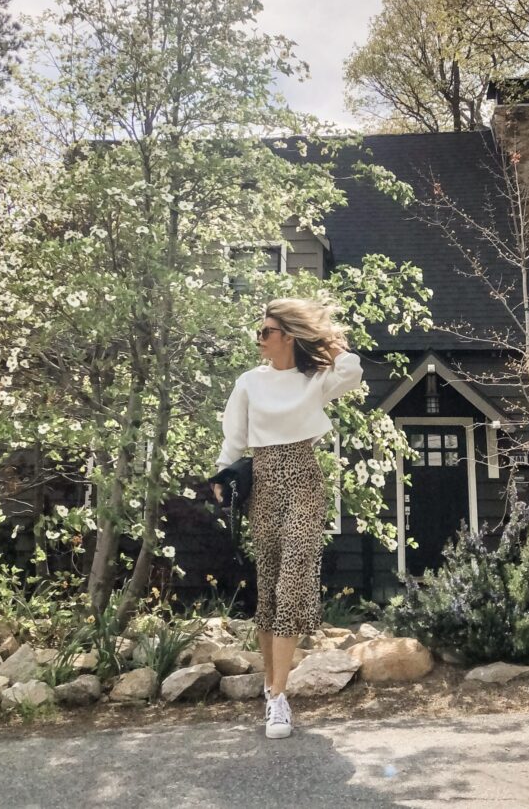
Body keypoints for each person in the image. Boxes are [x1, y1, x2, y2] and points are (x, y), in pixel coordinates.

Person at [211, 297, 363, 739]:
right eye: (258, 332)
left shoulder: (312, 379)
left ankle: (278, 697)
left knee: (294, 575)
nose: (259, 339)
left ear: (288, 337)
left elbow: (351, 373)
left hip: (303, 477)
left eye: (266, 332)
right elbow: (235, 435)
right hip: (262, 477)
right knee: (270, 578)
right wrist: (222, 475)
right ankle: (271, 688)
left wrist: (329, 344)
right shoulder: (248, 382)